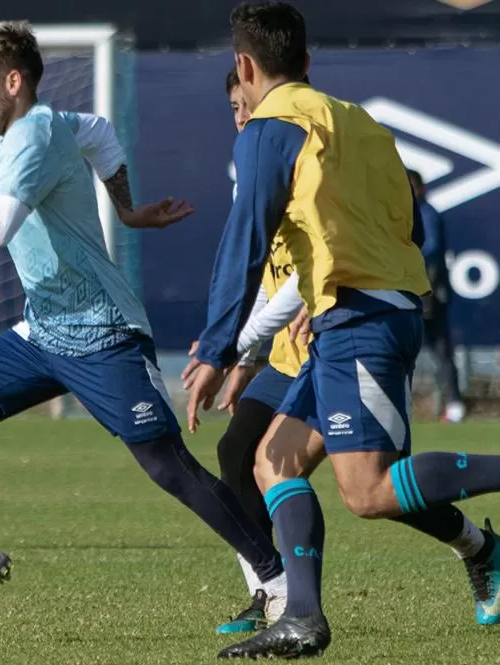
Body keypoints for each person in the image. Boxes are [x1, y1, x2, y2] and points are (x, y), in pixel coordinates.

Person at [0, 19, 291, 616]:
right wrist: (127, 213)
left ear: (13, 80)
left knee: (169, 468)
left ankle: (278, 580)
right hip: (45, 333)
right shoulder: (46, 126)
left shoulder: (31, 136)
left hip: (103, 333)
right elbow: (100, 133)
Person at [184, 2, 500, 658]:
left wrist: (219, 347)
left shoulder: (268, 129)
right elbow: (406, 224)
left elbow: (244, 240)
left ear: (244, 66)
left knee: (370, 489)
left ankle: (487, 548)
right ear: (306, 60)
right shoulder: (358, 121)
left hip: (362, 318)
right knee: (276, 460)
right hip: (357, 310)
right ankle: (301, 613)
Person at [193, 66, 308, 635]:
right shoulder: (251, 171)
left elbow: (300, 277)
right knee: (238, 455)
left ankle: (476, 545)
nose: (242, 117)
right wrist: (248, 360)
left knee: (379, 488)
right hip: (284, 355)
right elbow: (265, 273)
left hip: (333, 342)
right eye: (234, 110)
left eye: (247, 105)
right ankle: (272, 592)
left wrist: (236, 346)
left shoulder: (301, 150)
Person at [407, 169, 466, 423]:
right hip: (413, 291)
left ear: (421, 188)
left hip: (428, 293)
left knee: (441, 349)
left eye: (412, 186)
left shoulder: (426, 213)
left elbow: (429, 249)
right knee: (404, 349)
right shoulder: (403, 213)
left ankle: (454, 405)